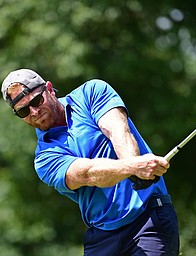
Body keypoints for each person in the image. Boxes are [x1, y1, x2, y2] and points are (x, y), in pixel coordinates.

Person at [1, 69, 180, 256]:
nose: (34, 112)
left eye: (37, 101)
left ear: (50, 89)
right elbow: (87, 173)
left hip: (148, 217)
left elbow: (117, 130)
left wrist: (133, 163)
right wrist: (132, 167)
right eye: (23, 111)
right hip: (102, 237)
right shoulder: (44, 158)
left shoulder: (91, 92)